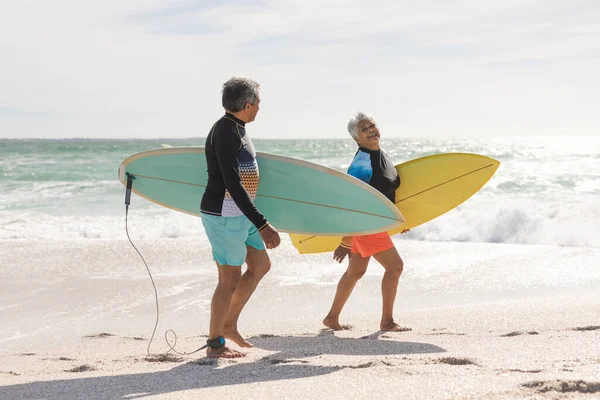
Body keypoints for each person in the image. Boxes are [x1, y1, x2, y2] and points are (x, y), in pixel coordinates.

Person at [200, 77, 281, 358]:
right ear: (248, 105)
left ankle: (229, 325)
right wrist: (262, 223)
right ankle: (215, 344)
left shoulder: (238, 129)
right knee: (229, 278)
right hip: (223, 216)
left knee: (260, 265)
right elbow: (232, 184)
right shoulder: (224, 132)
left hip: (241, 215)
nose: (260, 108)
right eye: (258, 103)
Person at [323, 112, 411, 332]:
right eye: (364, 129)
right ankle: (387, 321)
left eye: (372, 125)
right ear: (357, 139)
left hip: (375, 222)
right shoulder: (361, 164)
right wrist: (346, 239)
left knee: (355, 272)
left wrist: (398, 220)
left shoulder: (381, 154)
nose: (371, 129)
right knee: (395, 267)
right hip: (366, 223)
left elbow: (387, 192)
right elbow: (353, 202)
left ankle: (331, 318)